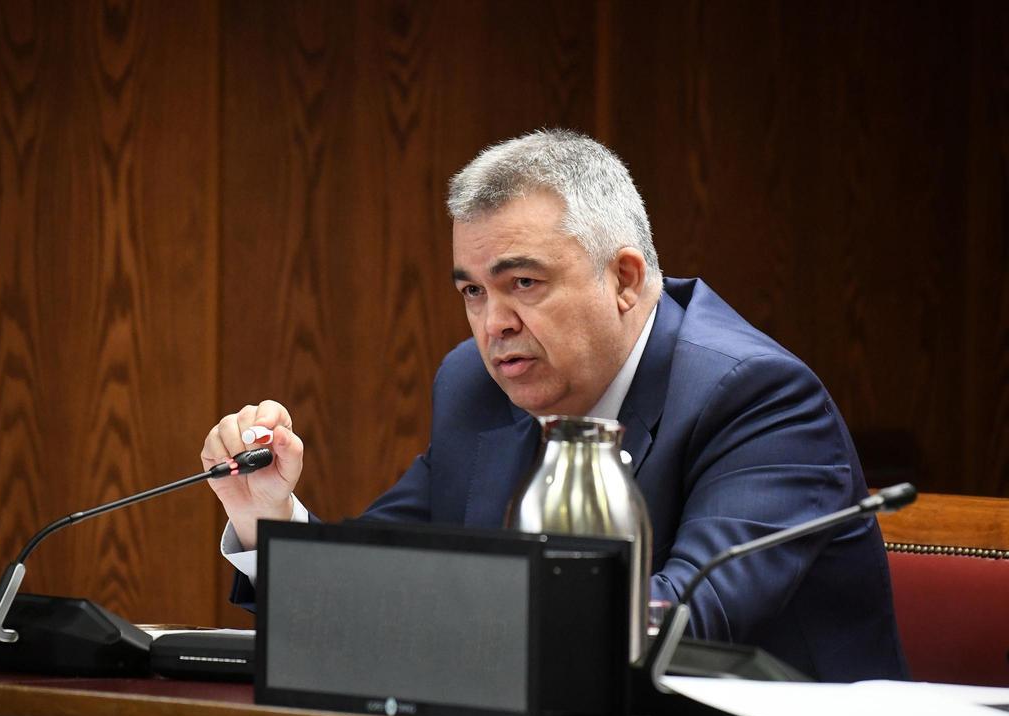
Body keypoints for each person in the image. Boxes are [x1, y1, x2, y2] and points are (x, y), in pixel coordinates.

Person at [201, 129, 907, 682]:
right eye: (473, 291)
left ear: (624, 279)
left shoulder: (757, 397)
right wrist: (268, 518)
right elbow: (384, 569)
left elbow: (685, 621)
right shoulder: (476, 385)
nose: (492, 324)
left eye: (523, 284)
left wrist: (452, 612)